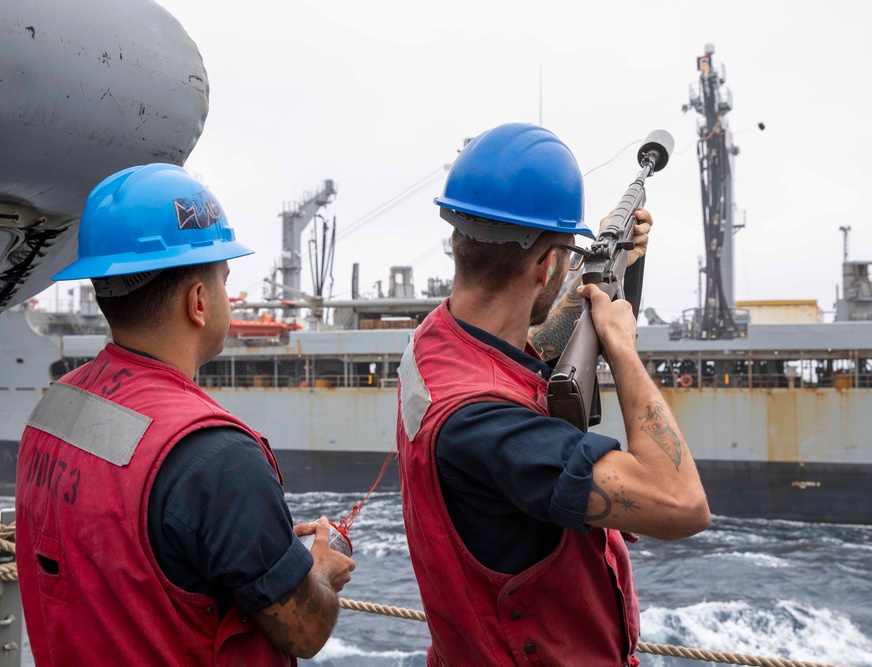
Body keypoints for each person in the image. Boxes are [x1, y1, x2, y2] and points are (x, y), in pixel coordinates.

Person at [396, 123, 710, 666]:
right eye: (564, 253)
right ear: (546, 266)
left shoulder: (437, 342)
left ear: (457, 239)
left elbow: (525, 349)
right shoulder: (492, 425)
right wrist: (621, 346)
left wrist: (606, 272)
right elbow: (682, 504)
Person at [15, 164, 354, 666]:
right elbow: (304, 631)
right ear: (199, 302)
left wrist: (254, 534)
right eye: (222, 280)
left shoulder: (55, 406)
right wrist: (320, 569)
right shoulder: (218, 457)